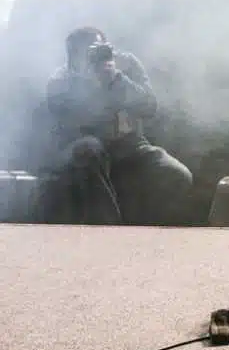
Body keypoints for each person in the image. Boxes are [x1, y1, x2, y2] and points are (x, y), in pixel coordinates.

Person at [38, 26, 193, 225]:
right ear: (71, 56)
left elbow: (149, 106)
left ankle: (145, 230)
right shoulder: (61, 80)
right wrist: (90, 83)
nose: (93, 57)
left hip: (130, 145)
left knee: (176, 174)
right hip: (81, 146)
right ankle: (107, 230)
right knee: (89, 149)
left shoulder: (126, 64)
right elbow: (75, 119)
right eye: (85, 52)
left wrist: (116, 80)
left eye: (97, 49)